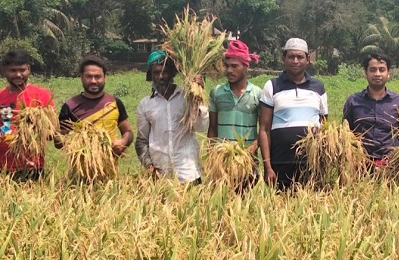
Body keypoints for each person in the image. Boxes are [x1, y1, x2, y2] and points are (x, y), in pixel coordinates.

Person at [257, 38, 328, 190]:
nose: (295, 61)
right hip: (280, 163)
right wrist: (267, 167)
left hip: (311, 164)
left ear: (308, 60)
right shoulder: (272, 86)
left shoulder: (318, 87)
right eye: (291, 56)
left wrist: (322, 164)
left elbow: (325, 127)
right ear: (284, 58)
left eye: (300, 57)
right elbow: (264, 129)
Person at [135, 50, 208, 184]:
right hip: (161, 175)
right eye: (156, 73)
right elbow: (141, 141)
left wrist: (198, 97)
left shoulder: (187, 97)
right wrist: (150, 168)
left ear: (172, 74)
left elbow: (201, 127)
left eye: (165, 72)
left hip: (188, 172)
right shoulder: (145, 105)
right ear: (150, 76)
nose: (161, 76)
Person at [207, 40, 261, 184]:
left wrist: (252, 148)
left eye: (234, 66)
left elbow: (264, 130)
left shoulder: (258, 94)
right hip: (222, 164)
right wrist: (211, 156)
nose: (229, 70)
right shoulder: (216, 93)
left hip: (247, 163)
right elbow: (212, 128)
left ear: (246, 66)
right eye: (227, 66)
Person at [57, 55, 133, 158]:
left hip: (110, 170)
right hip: (80, 170)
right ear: (81, 77)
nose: (93, 81)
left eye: (98, 76)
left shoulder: (114, 103)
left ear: (104, 77)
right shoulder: (70, 106)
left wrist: (123, 142)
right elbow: (59, 141)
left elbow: (128, 132)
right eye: (89, 76)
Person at [343, 53, 399, 169]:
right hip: (360, 168)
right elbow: (345, 133)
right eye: (373, 70)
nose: (377, 74)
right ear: (365, 73)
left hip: (392, 167)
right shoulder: (353, 101)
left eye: (382, 70)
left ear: (388, 74)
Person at [0, 49, 54, 181]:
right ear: (4, 71)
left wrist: (33, 128)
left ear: (28, 69)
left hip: (32, 166)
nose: (18, 74)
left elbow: (51, 134)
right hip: (3, 166)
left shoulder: (42, 96)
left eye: (22, 70)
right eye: (13, 71)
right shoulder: (0, 97)